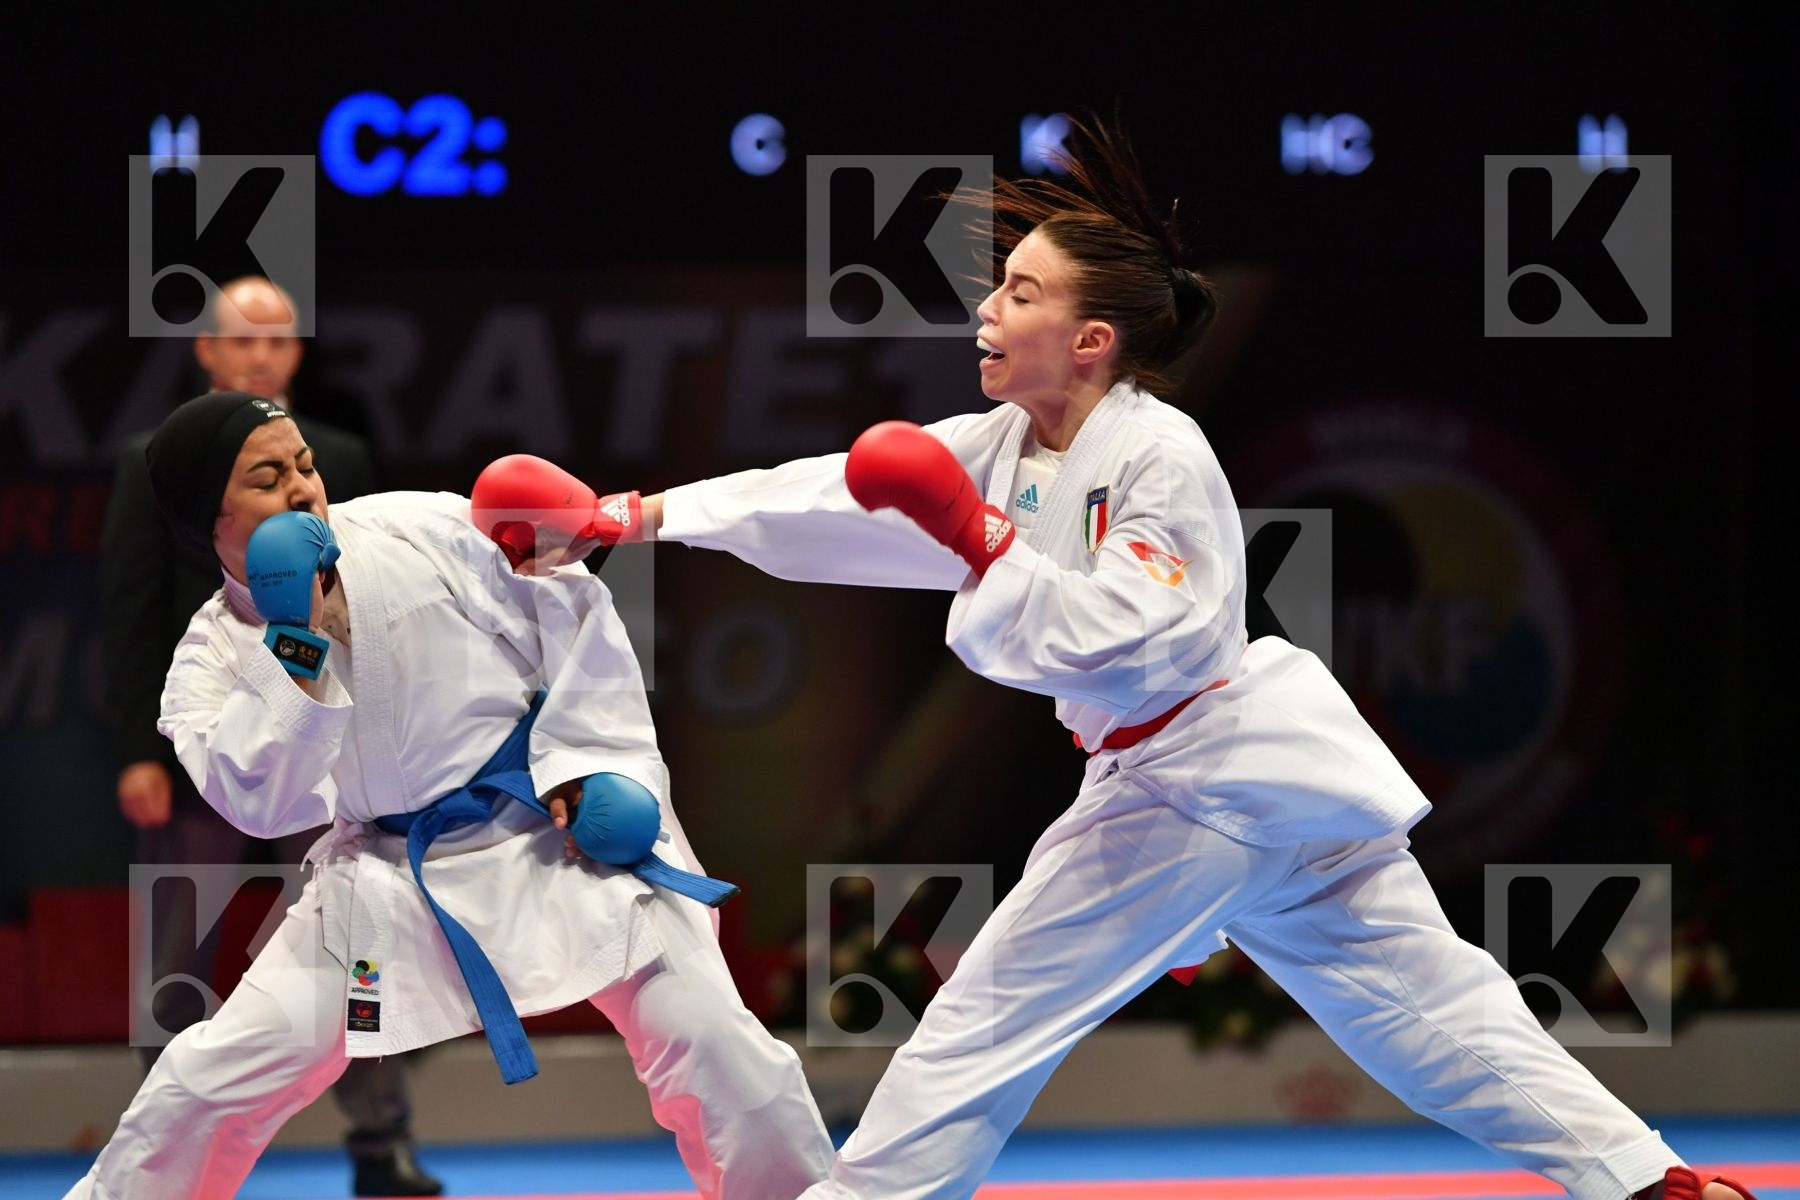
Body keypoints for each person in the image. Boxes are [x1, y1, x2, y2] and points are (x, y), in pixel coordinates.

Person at [486, 120, 1755, 1200]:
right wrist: (636, 517)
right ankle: (1648, 1177)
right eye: (1000, 288)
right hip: (1243, 782)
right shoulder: (1005, 444)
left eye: (1024, 293)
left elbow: (1126, 636)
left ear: (1092, 339)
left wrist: (978, 542)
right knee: (1425, 1007)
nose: (990, 307)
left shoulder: (1161, 456)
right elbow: (832, 498)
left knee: (987, 1022)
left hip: (1197, 771)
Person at [65, 392, 833, 1200]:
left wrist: (591, 765)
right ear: (206, 518)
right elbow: (265, 806)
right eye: (267, 478)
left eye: (305, 465)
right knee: (208, 1082)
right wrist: (296, 643)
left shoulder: (418, 527)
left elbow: (572, 607)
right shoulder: (208, 660)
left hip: (552, 836)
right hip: (392, 880)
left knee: (722, 1048)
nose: (302, 489)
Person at [97, 277, 440, 1196]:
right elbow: (130, 613)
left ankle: (384, 1144)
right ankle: (168, 1151)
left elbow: (378, 601)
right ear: (205, 351)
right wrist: (140, 748)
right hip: (208, 746)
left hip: (335, 754)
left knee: (360, 946)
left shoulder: (338, 457)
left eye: (277, 341)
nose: (260, 355)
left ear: (296, 354)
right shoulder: (154, 464)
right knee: (177, 954)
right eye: (240, 341)